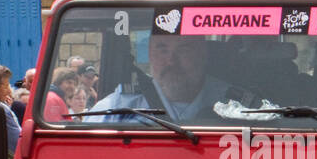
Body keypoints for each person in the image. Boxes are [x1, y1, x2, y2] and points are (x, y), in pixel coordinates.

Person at [93, 35, 240, 124]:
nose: (171, 61)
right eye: (162, 50)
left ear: (203, 54)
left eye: (183, 49)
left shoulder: (236, 103)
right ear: (150, 54)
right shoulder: (116, 110)